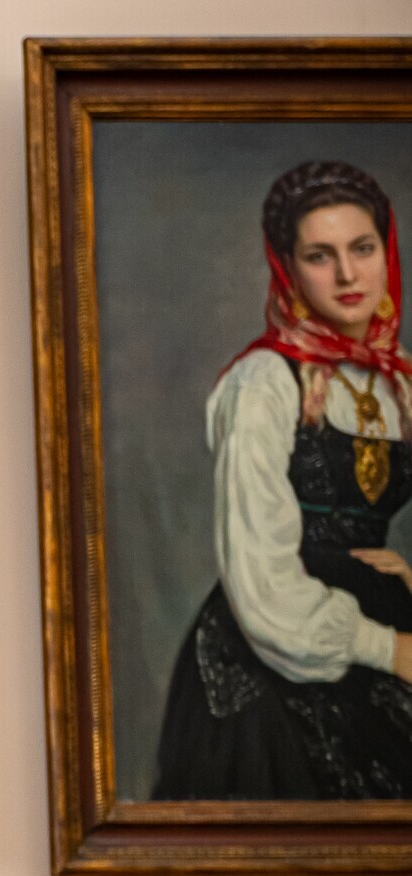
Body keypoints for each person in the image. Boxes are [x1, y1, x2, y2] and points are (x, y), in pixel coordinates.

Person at [154, 160, 412, 799]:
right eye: (321, 256)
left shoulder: (401, 380)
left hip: (381, 621)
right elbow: (258, 571)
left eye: (362, 248)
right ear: (288, 268)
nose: (347, 274)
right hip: (273, 643)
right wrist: (391, 648)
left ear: (386, 252)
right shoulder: (264, 382)